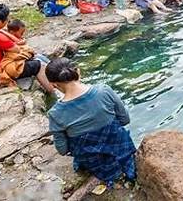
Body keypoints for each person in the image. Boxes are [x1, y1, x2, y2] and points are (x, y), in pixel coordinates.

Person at [46, 58, 136, 187]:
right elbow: (125, 119)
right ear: (78, 71)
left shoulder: (55, 113)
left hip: (94, 163)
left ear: (54, 84)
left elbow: (62, 150)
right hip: (121, 150)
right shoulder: (104, 90)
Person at [0, 4, 54, 92]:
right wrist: (4, 33)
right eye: (6, 19)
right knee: (37, 65)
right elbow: (16, 49)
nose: (7, 21)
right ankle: (54, 93)